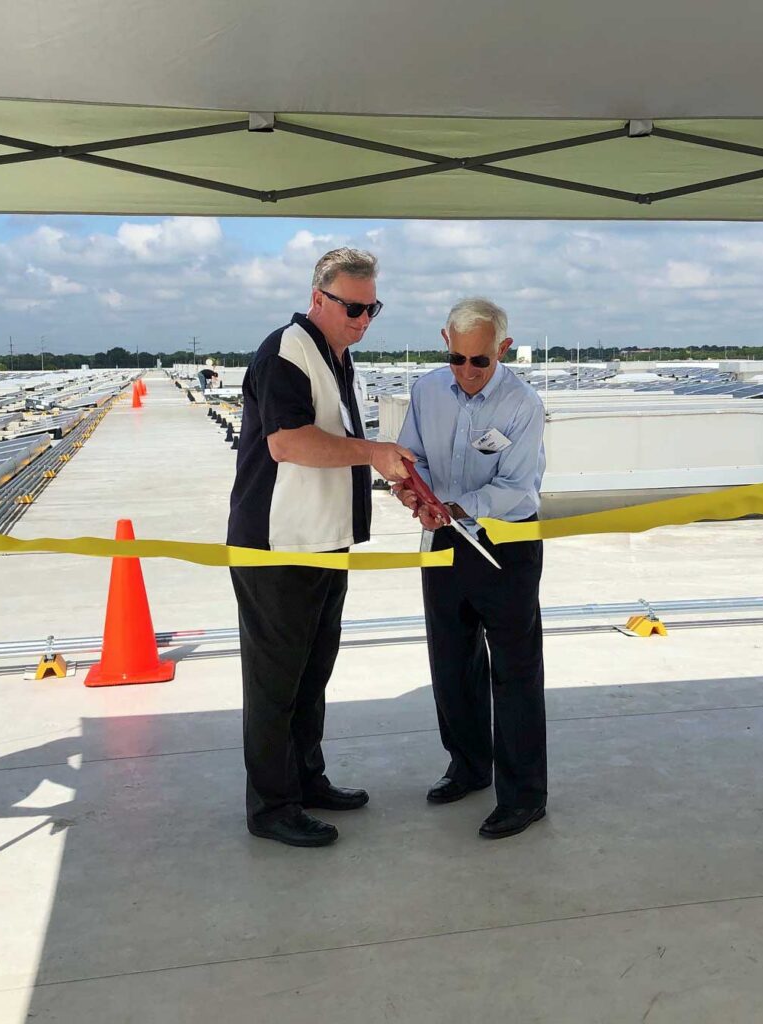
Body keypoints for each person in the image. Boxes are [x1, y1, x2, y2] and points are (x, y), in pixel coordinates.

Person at [227, 248, 414, 848]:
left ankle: (306, 780)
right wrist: (374, 453)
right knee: (276, 682)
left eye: (372, 308)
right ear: (319, 298)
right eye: (353, 308)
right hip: (279, 548)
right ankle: (272, 807)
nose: (363, 320)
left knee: (311, 675)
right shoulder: (287, 351)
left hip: (323, 544)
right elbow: (287, 443)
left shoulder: (336, 357)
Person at [395, 297, 547, 839]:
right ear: (446, 342)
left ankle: (524, 795)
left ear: (503, 350)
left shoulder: (523, 405)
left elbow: (518, 488)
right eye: (457, 358)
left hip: (504, 544)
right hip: (441, 540)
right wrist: (414, 493)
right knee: (451, 660)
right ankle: (468, 766)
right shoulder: (426, 391)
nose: (466, 372)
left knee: (514, 671)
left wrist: (459, 506)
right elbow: (413, 457)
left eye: (479, 361)